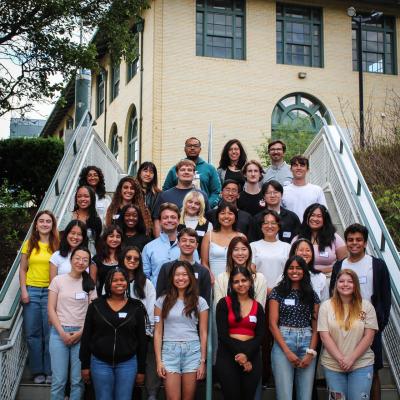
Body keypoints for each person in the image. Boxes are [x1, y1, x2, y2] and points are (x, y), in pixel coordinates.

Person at [330, 223, 391, 400]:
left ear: (365, 243)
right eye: (350, 240)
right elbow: (333, 294)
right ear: (346, 242)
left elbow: (385, 299)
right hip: (342, 327)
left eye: (358, 240)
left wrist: (378, 325)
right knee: (343, 367)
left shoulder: (377, 265)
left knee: (373, 371)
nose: (354, 243)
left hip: (369, 328)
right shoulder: (339, 265)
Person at [80, 267, 147, 400]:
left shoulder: (136, 306)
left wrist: (141, 369)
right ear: (108, 284)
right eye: (115, 280)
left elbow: (142, 340)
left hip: (128, 363)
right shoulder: (96, 306)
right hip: (100, 362)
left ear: (127, 283)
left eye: (122, 280)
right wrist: (85, 365)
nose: (119, 283)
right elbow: (86, 336)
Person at [319, 269, 378, 399]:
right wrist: (341, 359)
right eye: (341, 281)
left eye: (350, 281)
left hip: (361, 364)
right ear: (336, 284)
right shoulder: (326, 306)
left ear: (355, 284)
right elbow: (324, 336)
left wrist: (351, 358)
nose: (345, 284)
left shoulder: (366, 306)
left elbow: (369, 336)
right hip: (333, 365)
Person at [154, 260, 209, 400]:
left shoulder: (200, 301)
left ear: (190, 277)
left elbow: (203, 332)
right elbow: (158, 332)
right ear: (172, 278)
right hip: (169, 351)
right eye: (177, 275)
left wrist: (202, 361)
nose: (181, 278)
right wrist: (159, 361)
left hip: (193, 351)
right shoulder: (161, 301)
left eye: (184, 274)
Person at [48, 246, 97, 400]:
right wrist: (62, 333)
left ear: (88, 264)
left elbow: (92, 314)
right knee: (59, 381)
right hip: (58, 334)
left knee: (77, 381)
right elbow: (50, 308)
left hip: (81, 335)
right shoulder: (58, 280)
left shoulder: (90, 285)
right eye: (77, 258)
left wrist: (80, 333)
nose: (80, 262)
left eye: (85, 260)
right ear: (71, 259)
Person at [269, 256, 320, 400]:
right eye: (291, 268)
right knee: (284, 395)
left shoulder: (312, 295)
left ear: (304, 271)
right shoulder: (277, 292)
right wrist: (287, 352)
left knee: (305, 396)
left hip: (307, 342)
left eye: (298, 268)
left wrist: (311, 353)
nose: (294, 271)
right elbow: (272, 324)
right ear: (286, 271)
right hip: (283, 341)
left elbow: (316, 327)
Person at [19, 210, 60, 384]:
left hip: (50, 292)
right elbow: (22, 269)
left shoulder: (57, 245)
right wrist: (24, 291)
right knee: (33, 334)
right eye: (41, 221)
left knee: (50, 333)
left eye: (48, 221)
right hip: (33, 291)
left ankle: (50, 370)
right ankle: (37, 372)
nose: (44, 224)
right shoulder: (29, 244)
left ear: (52, 225)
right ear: (36, 224)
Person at [215, 267, 266, 400]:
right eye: (236, 281)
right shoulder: (223, 303)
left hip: (252, 355)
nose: (241, 284)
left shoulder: (258, 306)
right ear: (231, 284)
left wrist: (247, 355)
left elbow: (261, 335)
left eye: (244, 280)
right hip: (228, 354)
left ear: (250, 282)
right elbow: (222, 335)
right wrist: (241, 357)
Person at [121, 246, 158, 400]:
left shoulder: (146, 283)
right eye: (129, 257)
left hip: (143, 334)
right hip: (121, 335)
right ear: (122, 259)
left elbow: (151, 309)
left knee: (149, 363)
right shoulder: (114, 278)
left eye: (136, 259)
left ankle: (152, 395)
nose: (132, 261)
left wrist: (147, 332)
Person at [143, 203, 200, 287]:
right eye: (165, 218)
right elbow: (145, 277)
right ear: (160, 221)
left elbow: (196, 271)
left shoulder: (189, 246)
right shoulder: (149, 248)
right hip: (157, 296)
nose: (169, 220)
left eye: (173, 217)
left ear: (178, 220)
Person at [153, 160, 209, 236]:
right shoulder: (165, 195)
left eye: (190, 170)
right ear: (176, 174)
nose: (186, 172)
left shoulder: (202, 195)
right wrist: (159, 242)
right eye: (182, 170)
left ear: (194, 174)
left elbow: (207, 218)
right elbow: (157, 221)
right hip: (169, 240)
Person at [156, 228, 212, 305]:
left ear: (196, 245)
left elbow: (206, 302)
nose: (187, 244)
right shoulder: (166, 268)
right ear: (178, 244)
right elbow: (159, 297)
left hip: (194, 314)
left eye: (192, 241)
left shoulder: (203, 271)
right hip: (169, 313)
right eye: (184, 240)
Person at [162, 137, 221, 208]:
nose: (192, 148)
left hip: (203, 213)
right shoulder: (175, 169)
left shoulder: (210, 169)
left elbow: (216, 192)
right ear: (184, 149)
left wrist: (204, 206)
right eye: (189, 146)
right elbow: (166, 190)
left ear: (200, 149)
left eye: (196, 146)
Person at [295, 203, 347, 277]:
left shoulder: (335, 238)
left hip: (329, 278)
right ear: (306, 217)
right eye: (312, 215)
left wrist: (322, 271)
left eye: (319, 216)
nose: (315, 219)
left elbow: (344, 263)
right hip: (303, 278)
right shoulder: (298, 239)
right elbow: (292, 262)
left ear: (325, 219)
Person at [214, 237, 267, 308]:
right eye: (236, 249)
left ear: (249, 252)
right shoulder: (221, 278)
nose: (240, 253)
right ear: (230, 253)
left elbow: (260, 308)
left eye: (244, 249)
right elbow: (219, 307)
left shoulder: (259, 278)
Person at [201, 201, 244, 282]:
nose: (226, 216)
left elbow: (246, 262)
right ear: (217, 216)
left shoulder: (241, 237)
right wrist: (209, 275)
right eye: (223, 213)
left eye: (230, 213)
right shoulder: (208, 236)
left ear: (235, 217)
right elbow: (204, 262)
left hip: (236, 282)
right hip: (214, 281)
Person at [250, 210, 290, 294]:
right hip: (258, 291)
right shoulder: (253, 246)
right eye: (265, 223)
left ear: (279, 226)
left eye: (273, 223)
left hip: (282, 292)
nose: (269, 226)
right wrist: (265, 289)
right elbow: (252, 271)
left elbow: (289, 272)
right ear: (261, 226)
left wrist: (276, 291)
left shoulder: (287, 247)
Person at [282, 155, 327, 221]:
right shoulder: (283, 191)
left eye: (302, 165)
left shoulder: (317, 190)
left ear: (307, 169)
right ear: (291, 169)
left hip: (310, 229)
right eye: (295, 165)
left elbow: (324, 212)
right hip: (290, 229)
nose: (299, 168)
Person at [90, 225, 122, 296]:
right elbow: (92, 285)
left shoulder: (125, 257)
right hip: (102, 298)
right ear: (105, 238)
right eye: (111, 236)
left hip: (123, 297)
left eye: (118, 237)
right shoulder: (97, 259)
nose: (115, 239)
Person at [72, 185, 102, 255]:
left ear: (92, 199)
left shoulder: (96, 220)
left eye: (86, 196)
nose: (82, 199)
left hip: (89, 256)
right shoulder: (68, 217)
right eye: (79, 196)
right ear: (76, 199)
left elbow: (97, 242)